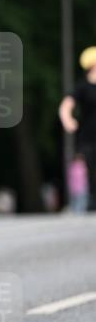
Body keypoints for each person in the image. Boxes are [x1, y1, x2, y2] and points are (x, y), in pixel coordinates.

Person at [59, 46, 96, 211]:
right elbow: (66, 105)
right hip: (88, 136)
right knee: (89, 168)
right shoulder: (83, 87)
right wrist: (68, 120)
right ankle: (86, 201)